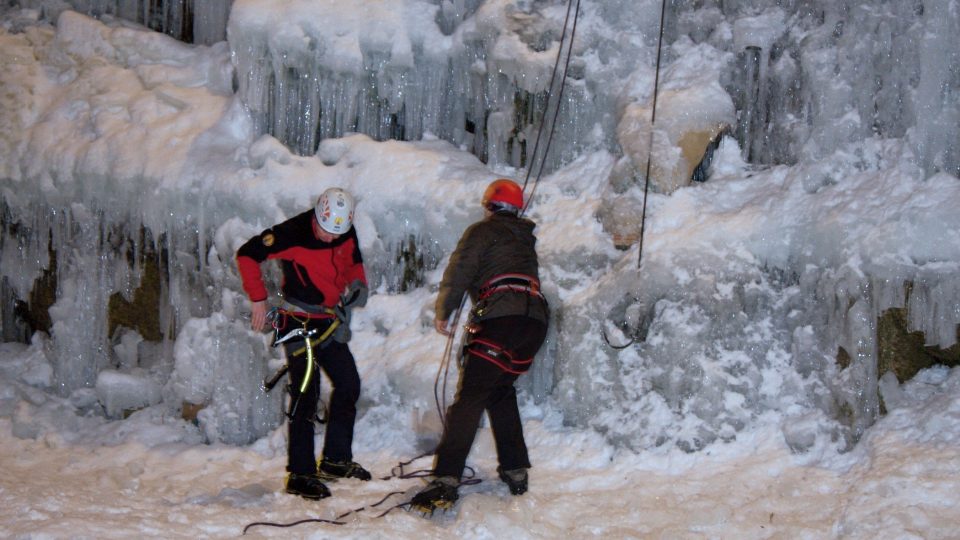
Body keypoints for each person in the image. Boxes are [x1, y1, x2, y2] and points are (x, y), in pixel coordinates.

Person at [411, 178, 549, 512]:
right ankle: (516, 470)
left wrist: (445, 310)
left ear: (490, 206)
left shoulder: (482, 232)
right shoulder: (524, 240)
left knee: (470, 397)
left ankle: (446, 478)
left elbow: (461, 270)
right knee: (499, 391)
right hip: (534, 323)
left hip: (501, 319)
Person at [236, 187, 371, 500]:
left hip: (328, 321)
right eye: (325, 231)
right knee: (305, 395)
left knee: (348, 384)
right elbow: (247, 254)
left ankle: (336, 461)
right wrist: (258, 300)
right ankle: (300, 474)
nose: (329, 238)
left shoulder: (344, 232)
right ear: (316, 218)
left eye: (335, 233)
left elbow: (352, 260)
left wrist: (358, 283)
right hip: (297, 321)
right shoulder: (293, 232)